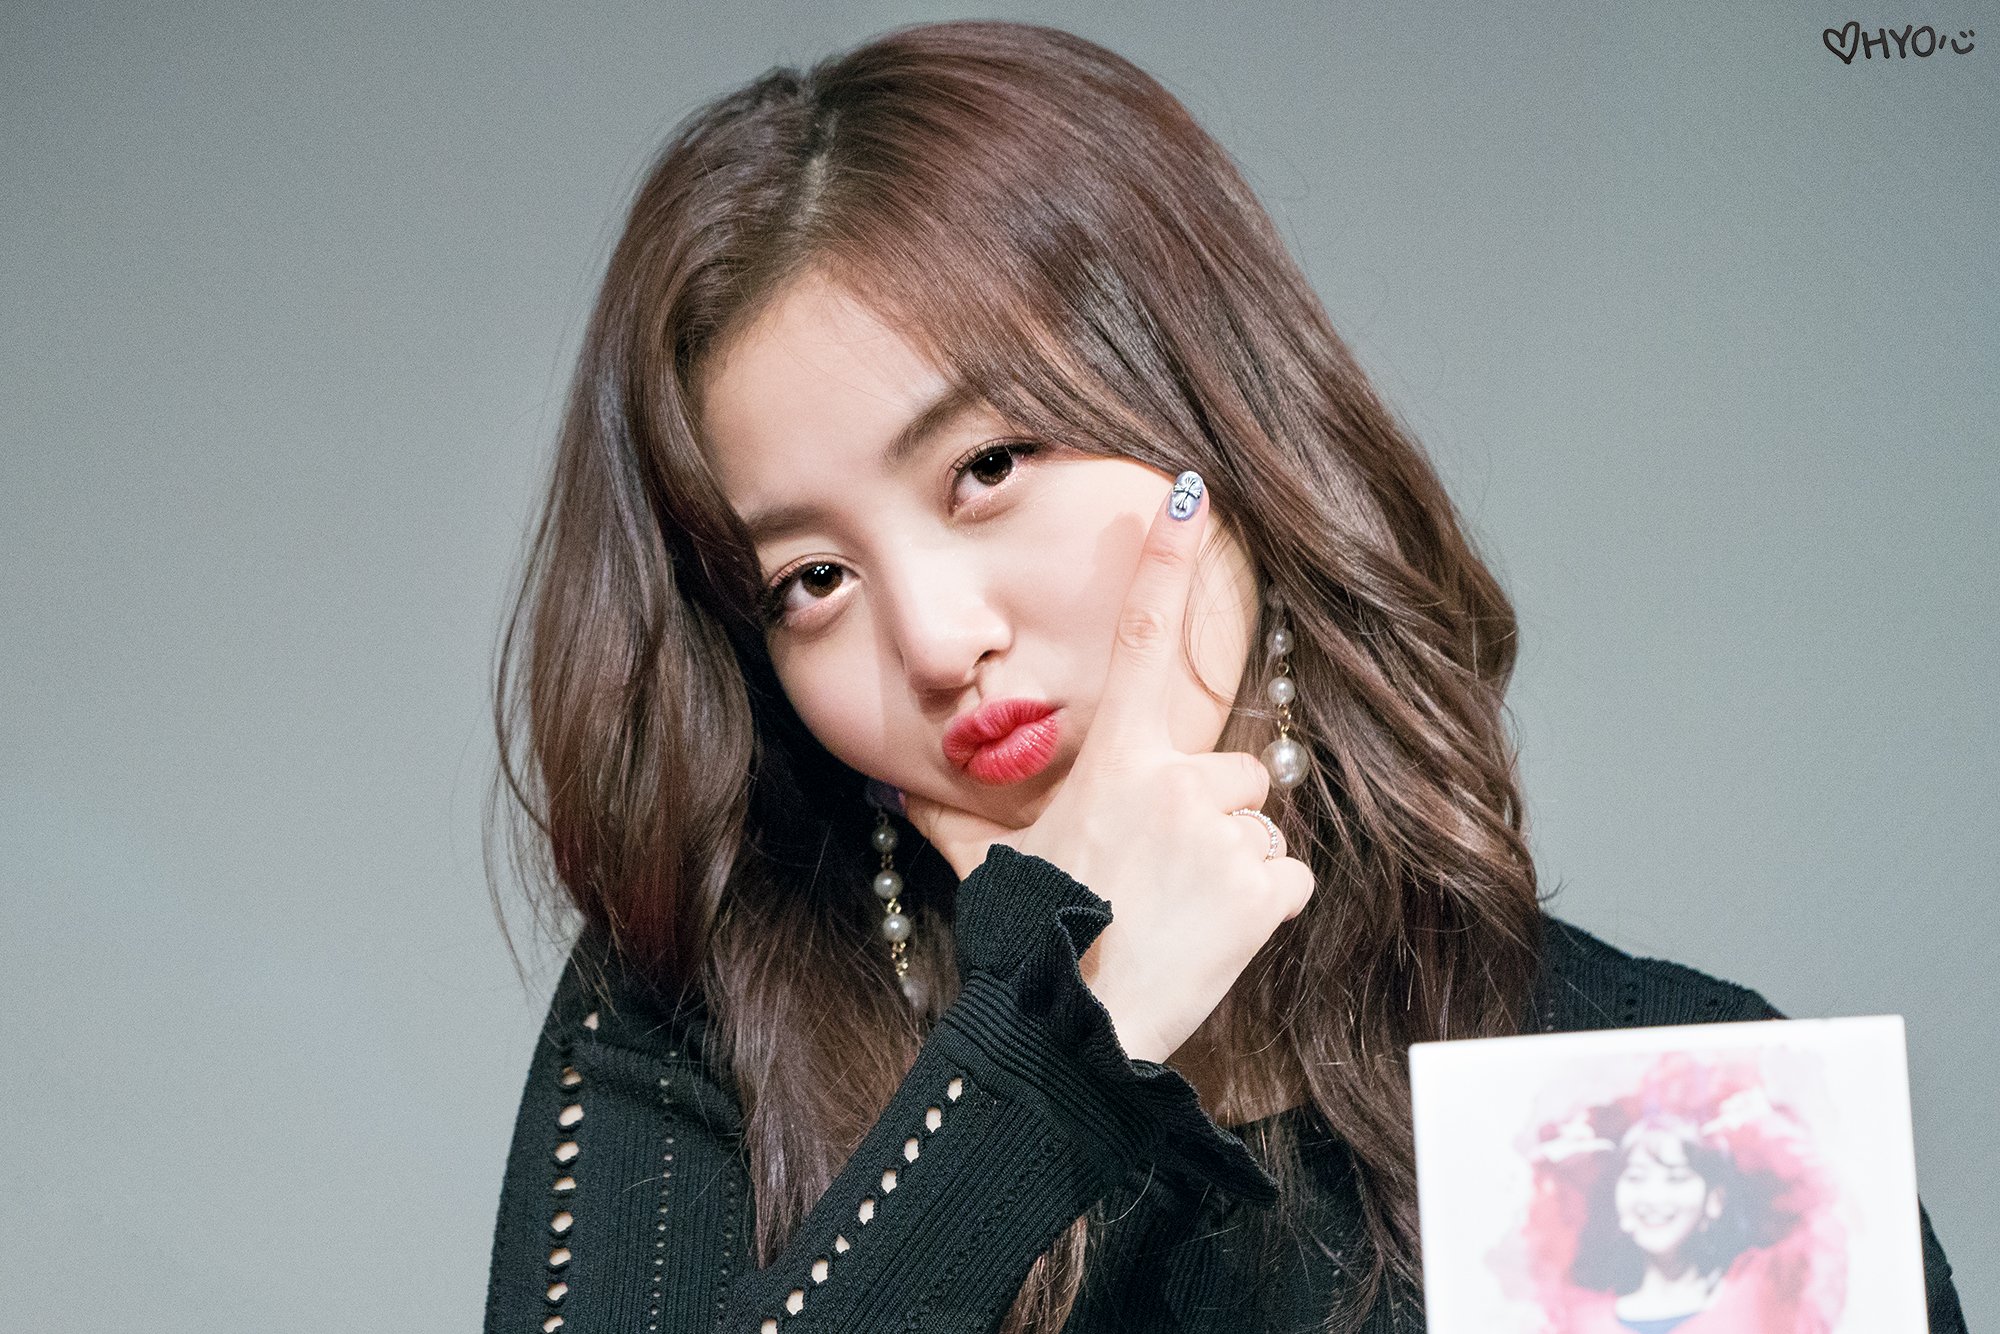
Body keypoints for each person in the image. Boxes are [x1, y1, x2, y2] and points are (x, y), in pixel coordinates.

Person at [480, 20, 1966, 1334]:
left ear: (1214, 422)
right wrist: (1052, 1049)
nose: (934, 641)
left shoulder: (1668, 1123)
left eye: (988, 466)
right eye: (811, 579)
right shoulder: (694, 1029)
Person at [1525, 1062, 1846, 1334]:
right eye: (1636, 1177)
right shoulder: (1578, 1316)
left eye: (1676, 1177)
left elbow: (1824, 1201)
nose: (1653, 1197)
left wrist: (1763, 1130)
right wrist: (1550, 1167)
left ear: (1714, 1200)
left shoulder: (1764, 1290)